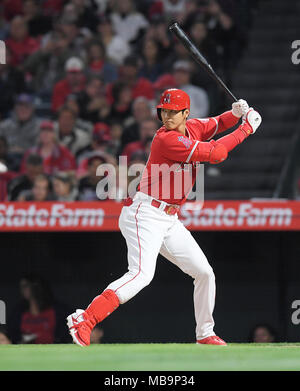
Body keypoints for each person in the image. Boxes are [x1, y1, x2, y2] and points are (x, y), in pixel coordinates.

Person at [67, 88, 262, 346]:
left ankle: (205, 333)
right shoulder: (165, 139)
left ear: (185, 113)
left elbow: (216, 124)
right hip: (144, 213)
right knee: (141, 275)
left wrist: (234, 113)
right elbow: (216, 153)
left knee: (204, 273)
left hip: (169, 218)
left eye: (172, 111)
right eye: (164, 111)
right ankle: (86, 318)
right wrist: (245, 129)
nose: (167, 116)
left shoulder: (192, 127)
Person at [7, 274, 70, 344]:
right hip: (26, 350)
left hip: (52, 349)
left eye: (25, 286)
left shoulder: (58, 310)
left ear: (36, 285)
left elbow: (64, 334)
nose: (22, 289)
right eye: (21, 287)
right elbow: (13, 334)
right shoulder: (19, 311)